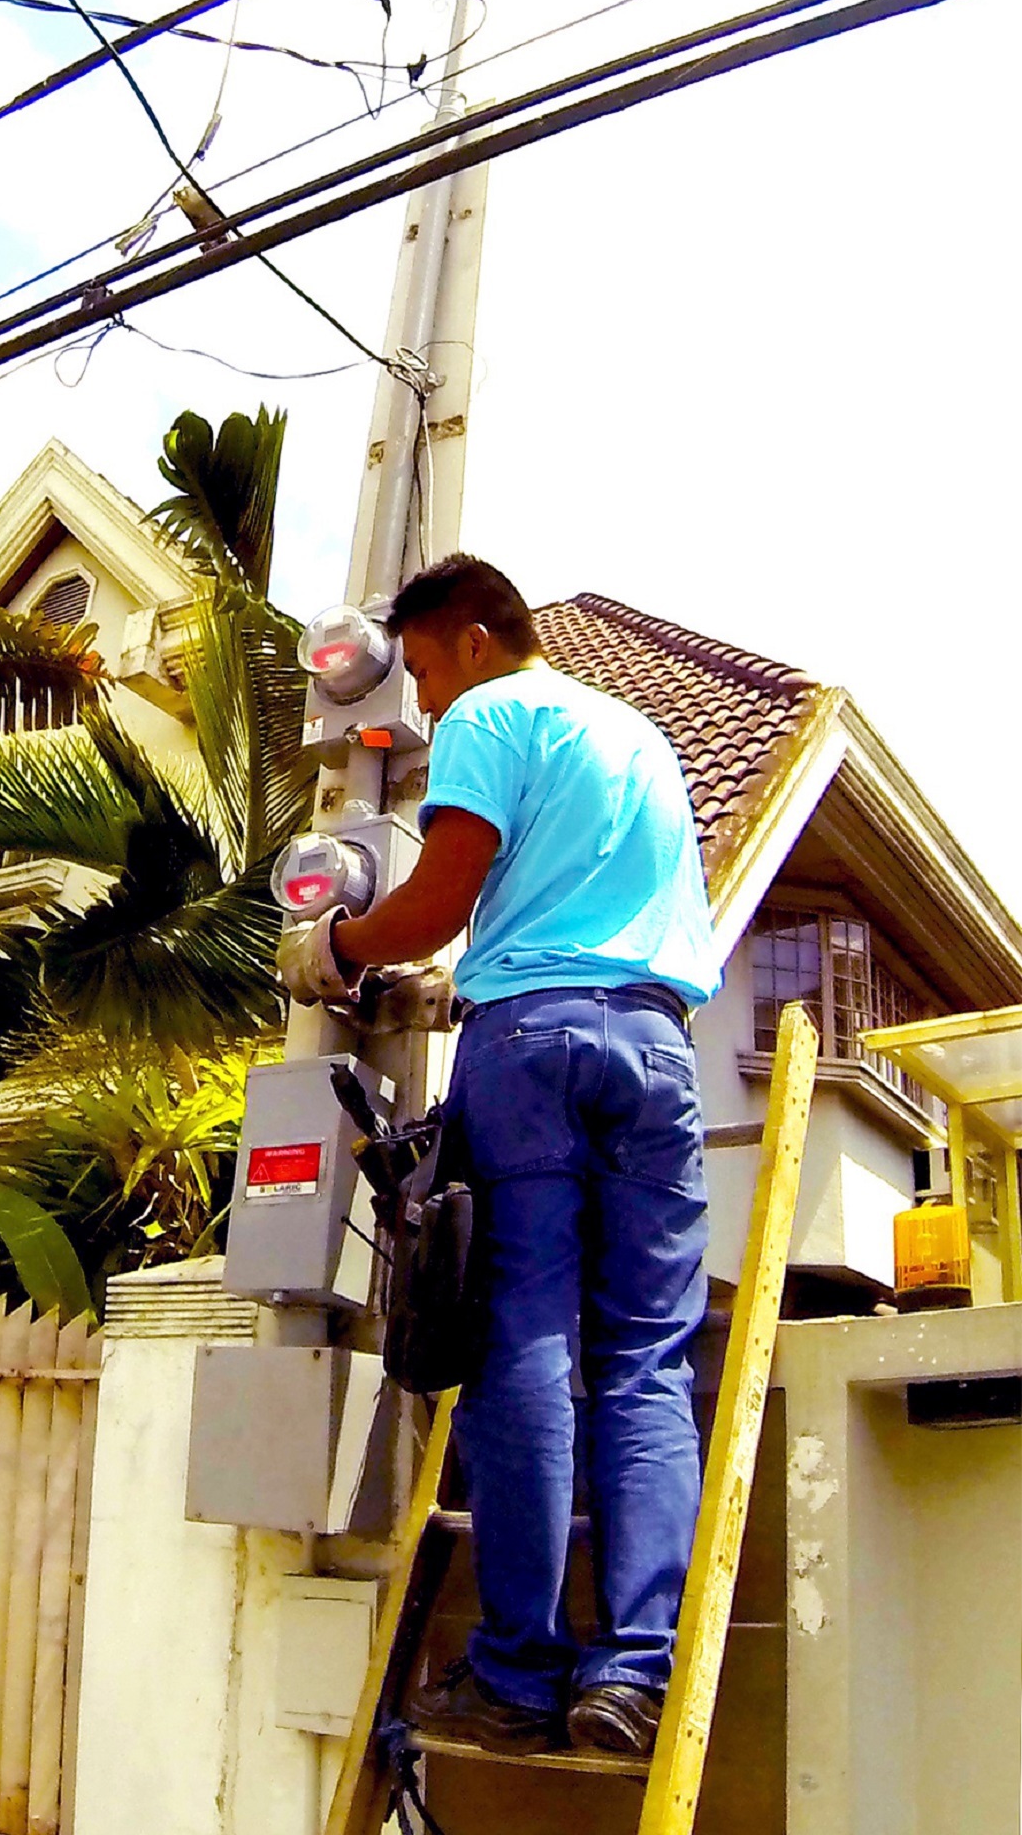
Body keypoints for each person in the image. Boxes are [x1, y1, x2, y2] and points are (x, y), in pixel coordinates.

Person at [278, 556, 720, 1758]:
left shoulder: (490, 710)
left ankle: (520, 1669)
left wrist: (338, 949)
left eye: (417, 666)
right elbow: (567, 896)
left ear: (473, 638)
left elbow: (436, 901)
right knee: (645, 1356)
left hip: (529, 1044)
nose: (418, 699)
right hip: (655, 1045)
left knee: (524, 1337)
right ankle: (628, 1674)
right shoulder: (642, 736)